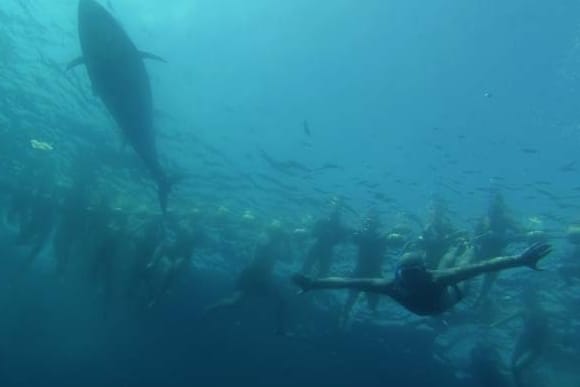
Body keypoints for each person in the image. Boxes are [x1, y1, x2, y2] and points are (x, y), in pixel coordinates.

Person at [292, 243, 551, 317]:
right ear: (400, 274)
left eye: (418, 274)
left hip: (451, 297)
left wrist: (519, 259)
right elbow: (346, 282)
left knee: (458, 266)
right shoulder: (394, 284)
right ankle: (464, 245)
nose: (415, 279)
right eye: (409, 275)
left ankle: (467, 244)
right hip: (440, 304)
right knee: (453, 265)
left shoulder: (429, 279)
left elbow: (481, 267)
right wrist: (314, 283)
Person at [205, 221, 292, 335]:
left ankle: (281, 330)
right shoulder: (264, 238)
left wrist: (287, 241)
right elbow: (265, 245)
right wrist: (282, 236)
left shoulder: (275, 245)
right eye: (278, 233)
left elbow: (289, 259)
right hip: (251, 274)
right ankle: (209, 308)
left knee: (282, 301)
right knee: (234, 302)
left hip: (264, 277)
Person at [339, 212, 388, 328]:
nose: (371, 225)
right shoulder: (363, 236)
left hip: (371, 272)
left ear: (377, 225)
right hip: (364, 271)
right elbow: (351, 238)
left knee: (370, 301)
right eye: (369, 223)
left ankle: (369, 323)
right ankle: (345, 319)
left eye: (373, 223)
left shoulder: (380, 238)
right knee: (352, 298)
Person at [302, 199, 351, 278]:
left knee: (321, 269)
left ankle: (314, 283)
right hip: (321, 247)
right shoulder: (324, 223)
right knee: (310, 266)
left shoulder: (338, 227)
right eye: (333, 216)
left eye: (336, 217)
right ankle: (307, 280)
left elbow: (344, 241)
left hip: (323, 248)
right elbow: (313, 234)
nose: (334, 218)